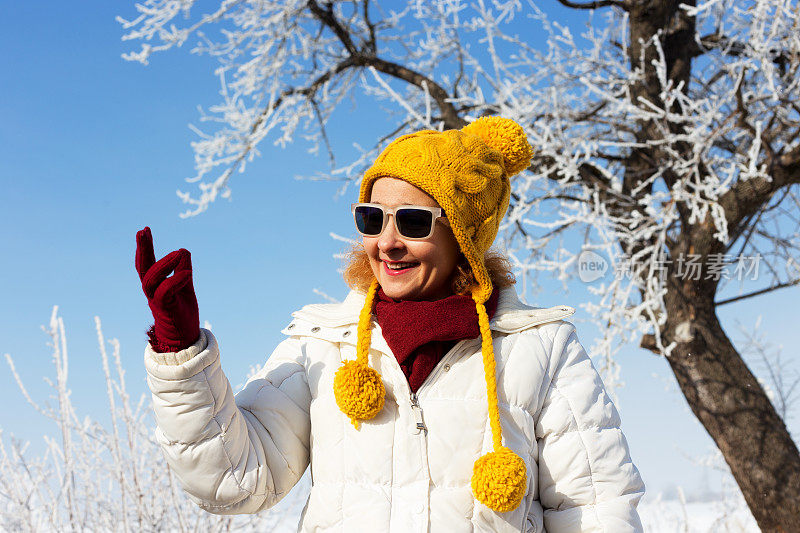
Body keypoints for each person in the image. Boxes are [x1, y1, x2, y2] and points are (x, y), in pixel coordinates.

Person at [135, 116, 645, 532]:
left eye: (414, 222)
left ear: (464, 236)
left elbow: (597, 511)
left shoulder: (540, 347)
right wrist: (183, 357)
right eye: (372, 219)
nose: (387, 242)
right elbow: (237, 480)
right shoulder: (321, 344)